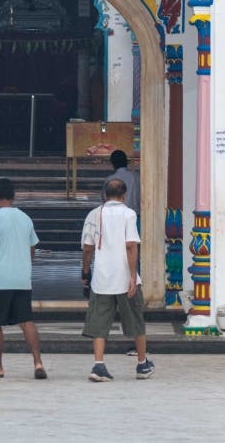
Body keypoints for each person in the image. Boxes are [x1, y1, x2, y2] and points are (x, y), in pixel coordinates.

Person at [79, 177, 152, 382]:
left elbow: (87, 248)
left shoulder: (94, 214)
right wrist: (132, 275)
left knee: (99, 322)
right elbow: (131, 245)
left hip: (102, 278)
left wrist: (86, 271)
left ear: (104, 194)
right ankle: (142, 364)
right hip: (124, 278)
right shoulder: (128, 214)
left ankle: (99, 364)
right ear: (124, 195)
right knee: (136, 321)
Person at [0, 177, 45, 380]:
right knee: (26, 321)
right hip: (22, 279)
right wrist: (24, 268)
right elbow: (32, 248)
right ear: (14, 196)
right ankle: (38, 363)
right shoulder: (25, 218)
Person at [104, 150, 139, 219]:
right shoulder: (137, 177)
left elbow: (105, 198)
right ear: (126, 162)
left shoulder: (110, 180)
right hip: (136, 217)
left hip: (116, 218)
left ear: (113, 163)